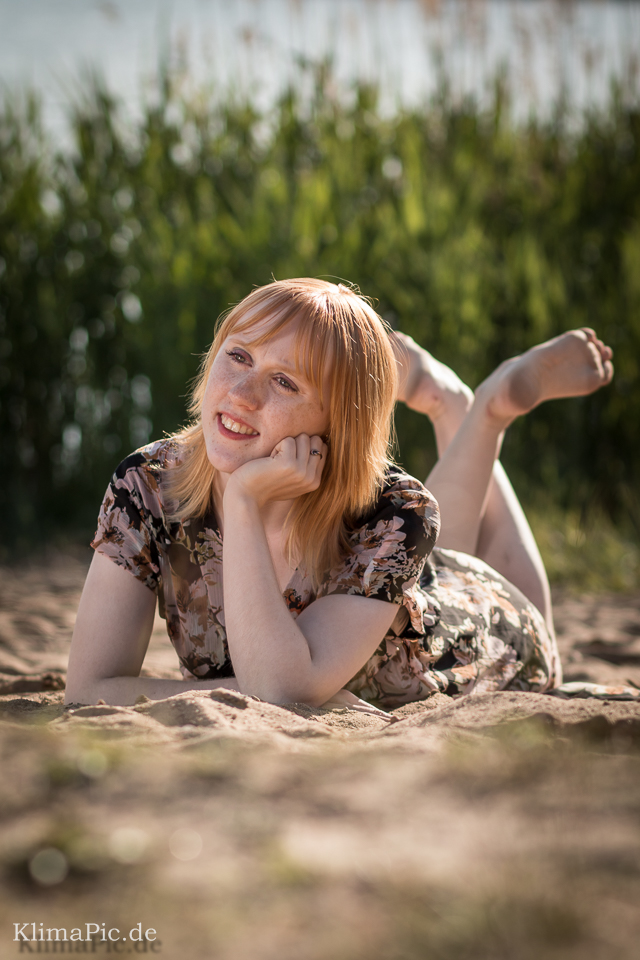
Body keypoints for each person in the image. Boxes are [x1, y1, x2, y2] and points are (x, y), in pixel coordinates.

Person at [65, 278, 613, 713]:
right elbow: (89, 687)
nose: (241, 394)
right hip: (399, 586)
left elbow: (280, 690)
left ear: (339, 421)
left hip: (486, 632)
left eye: (286, 382)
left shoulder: (398, 508)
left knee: (455, 564)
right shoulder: (149, 484)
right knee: (432, 559)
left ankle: (484, 406)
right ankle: (449, 400)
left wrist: (243, 504)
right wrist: (253, 691)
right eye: (238, 356)